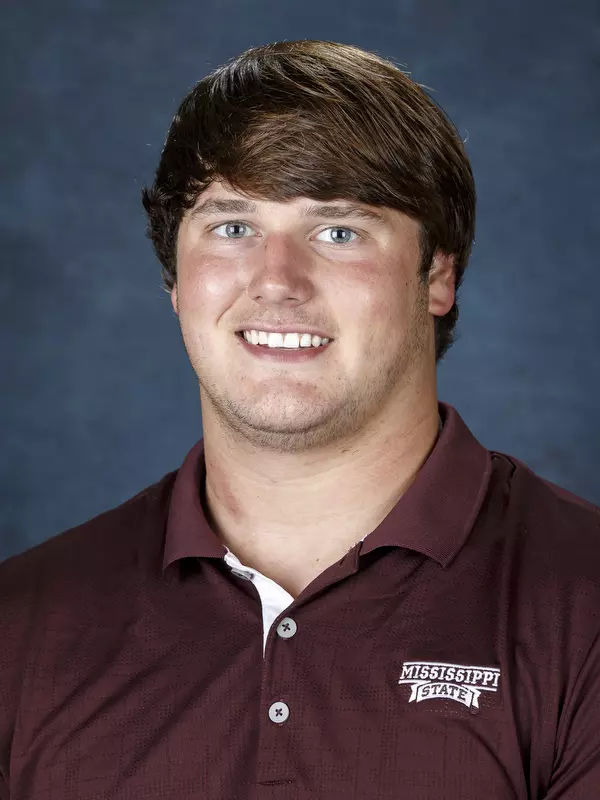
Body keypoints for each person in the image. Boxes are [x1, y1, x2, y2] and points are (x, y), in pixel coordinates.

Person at [1, 39, 599, 800]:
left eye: (338, 232)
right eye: (232, 227)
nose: (277, 281)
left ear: (438, 275)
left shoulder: (583, 609)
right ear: (174, 278)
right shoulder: (21, 625)